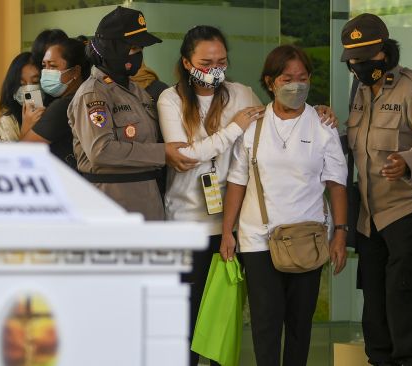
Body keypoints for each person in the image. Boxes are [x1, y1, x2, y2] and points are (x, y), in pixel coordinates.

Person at [222, 45, 348, 366]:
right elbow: (238, 180)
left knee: (299, 324)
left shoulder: (323, 125)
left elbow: (336, 183)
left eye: (302, 77)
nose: (296, 84)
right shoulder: (253, 124)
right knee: (265, 324)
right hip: (257, 239)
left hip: (306, 237)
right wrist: (228, 231)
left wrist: (340, 234)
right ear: (270, 81)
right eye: (287, 78)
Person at [341, 14, 412, 366]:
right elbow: (357, 139)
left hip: (411, 209)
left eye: (366, 58)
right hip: (371, 216)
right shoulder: (359, 91)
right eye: (353, 60)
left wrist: (408, 160)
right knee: (374, 303)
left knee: (405, 301)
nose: (359, 66)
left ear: (385, 53)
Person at [157, 25, 263, 366]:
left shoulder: (242, 95)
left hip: (233, 223)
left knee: (222, 318)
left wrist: (320, 114)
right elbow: (184, 157)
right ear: (187, 63)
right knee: (186, 319)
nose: (215, 68)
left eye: (222, 60)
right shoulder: (170, 99)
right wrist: (234, 128)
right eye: (206, 61)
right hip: (187, 224)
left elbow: (276, 127)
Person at [68, 6, 197, 220]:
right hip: (112, 203)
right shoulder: (93, 95)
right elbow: (101, 151)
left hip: (148, 199)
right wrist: (161, 153)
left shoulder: (137, 91)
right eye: (134, 48)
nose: (140, 56)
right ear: (113, 49)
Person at [20, 38, 90, 170]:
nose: (46, 72)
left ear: (75, 71)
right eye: (44, 66)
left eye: (52, 66)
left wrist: (26, 126)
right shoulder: (87, 96)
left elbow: (24, 153)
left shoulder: (63, 107)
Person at [0, 52, 41, 141]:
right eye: (22, 84)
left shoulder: (54, 113)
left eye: (35, 82)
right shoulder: (8, 122)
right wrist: (26, 128)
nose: (29, 89)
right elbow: (13, 154)